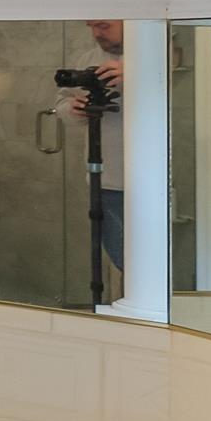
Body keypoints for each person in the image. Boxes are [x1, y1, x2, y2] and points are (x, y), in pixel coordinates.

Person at [58, 19, 124, 280]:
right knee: (119, 255)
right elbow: (62, 101)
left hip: (147, 179)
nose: (97, 33)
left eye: (103, 26)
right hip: (104, 176)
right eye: (92, 27)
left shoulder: (155, 54)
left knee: (148, 261)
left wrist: (136, 75)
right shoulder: (90, 58)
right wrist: (72, 109)